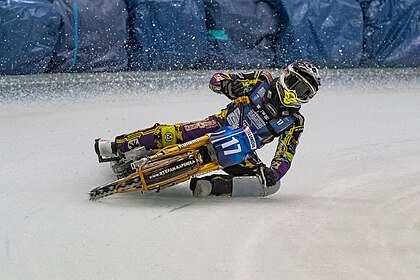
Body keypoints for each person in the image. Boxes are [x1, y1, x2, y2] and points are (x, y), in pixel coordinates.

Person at [95, 60, 321, 197]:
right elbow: (216, 78)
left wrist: (274, 172)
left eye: (304, 92)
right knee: (174, 132)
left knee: (271, 186)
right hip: (219, 125)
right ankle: (117, 146)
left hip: (242, 151)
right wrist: (228, 85)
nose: (295, 93)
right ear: (285, 75)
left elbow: (286, 155)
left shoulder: (294, 122)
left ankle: (212, 187)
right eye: (295, 84)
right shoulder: (262, 79)